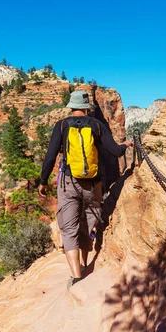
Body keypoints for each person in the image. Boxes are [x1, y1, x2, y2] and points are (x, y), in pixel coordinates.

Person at [38, 90, 132, 289]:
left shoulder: (62, 125)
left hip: (68, 182)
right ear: (87, 108)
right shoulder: (97, 125)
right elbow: (115, 151)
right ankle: (85, 260)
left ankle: (77, 276)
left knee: (70, 227)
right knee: (88, 221)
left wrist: (43, 181)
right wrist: (125, 145)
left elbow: (50, 156)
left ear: (72, 107)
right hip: (93, 183)